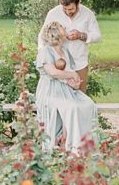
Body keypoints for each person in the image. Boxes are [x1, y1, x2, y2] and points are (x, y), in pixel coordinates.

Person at [35, 21, 98, 153]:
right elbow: (53, 72)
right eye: (61, 26)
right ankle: (67, 142)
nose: (65, 27)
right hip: (50, 90)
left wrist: (74, 85)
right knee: (72, 107)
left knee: (88, 104)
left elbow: (67, 77)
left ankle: (78, 142)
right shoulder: (46, 51)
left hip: (65, 89)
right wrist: (72, 74)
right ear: (55, 32)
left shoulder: (65, 51)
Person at [38, 0, 102, 91]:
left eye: (71, 9)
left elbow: (97, 36)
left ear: (78, 3)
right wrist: (44, 55)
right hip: (59, 64)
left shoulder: (87, 14)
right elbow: (42, 35)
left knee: (80, 95)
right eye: (65, 9)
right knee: (60, 97)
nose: (68, 12)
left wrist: (81, 35)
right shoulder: (53, 13)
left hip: (80, 62)